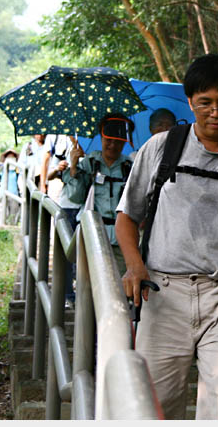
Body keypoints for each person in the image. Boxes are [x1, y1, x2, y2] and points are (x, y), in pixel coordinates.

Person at [115, 54, 218, 420]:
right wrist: (134, 266)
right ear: (190, 102)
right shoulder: (162, 147)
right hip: (162, 294)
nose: (215, 112)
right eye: (205, 102)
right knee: (153, 407)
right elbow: (127, 217)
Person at [63, 113, 134, 276]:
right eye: (108, 140)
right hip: (92, 235)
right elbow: (76, 197)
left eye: (118, 141)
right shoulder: (90, 163)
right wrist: (73, 167)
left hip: (121, 238)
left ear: (125, 141)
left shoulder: (129, 167)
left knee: (119, 282)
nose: (112, 145)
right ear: (101, 138)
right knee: (89, 282)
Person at [41, 134, 81, 306]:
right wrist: (60, 168)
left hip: (85, 208)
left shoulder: (90, 154)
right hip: (67, 207)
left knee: (81, 256)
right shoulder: (60, 144)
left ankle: (80, 295)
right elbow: (50, 175)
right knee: (67, 254)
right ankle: (68, 295)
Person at [0, 149, 21, 224]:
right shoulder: (1, 170)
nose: (10, 158)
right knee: (3, 214)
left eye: (12, 157)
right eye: (8, 157)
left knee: (13, 215)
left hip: (14, 194)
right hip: (3, 194)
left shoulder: (18, 170)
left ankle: (12, 226)